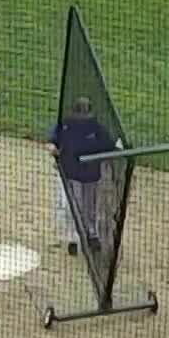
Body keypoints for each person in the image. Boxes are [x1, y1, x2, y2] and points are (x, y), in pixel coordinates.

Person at [48, 98, 117, 256]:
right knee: (70, 205)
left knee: (89, 207)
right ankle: (73, 237)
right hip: (70, 174)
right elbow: (52, 141)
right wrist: (53, 147)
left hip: (90, 175)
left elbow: (110, 145)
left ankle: (92, 234)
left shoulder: (96, 128)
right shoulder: (65, 125)